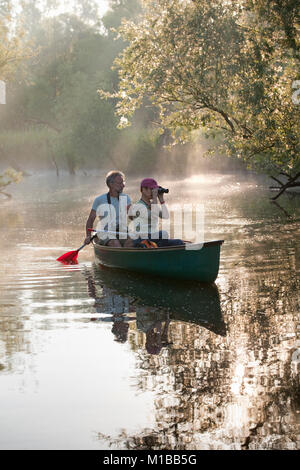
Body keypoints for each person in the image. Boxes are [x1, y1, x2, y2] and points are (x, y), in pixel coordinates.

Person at [84, 170, 133, 248]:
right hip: (105, 232)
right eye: (120, 183)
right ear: (111, 184)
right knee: (115, 244)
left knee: (133, 242)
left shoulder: (126, 198)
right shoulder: (99, 200)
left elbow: (132, 216)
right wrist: (88, 236)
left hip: (122, 231)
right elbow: (90, 220)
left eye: (123, 183)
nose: (123, 185)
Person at [130, 178, 184, 247]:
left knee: (178, 242)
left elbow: (165, 216)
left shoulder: (153, 205)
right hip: (141, 238)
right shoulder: (138, 206)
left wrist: (161, 200)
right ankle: (153, 248)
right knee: (164, 234)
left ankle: (155, 247)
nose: (154, 192)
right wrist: (155, 198)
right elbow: (153, 217)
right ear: (143, 190)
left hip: (153, 238)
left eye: (155, 190)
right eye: (152, 189)